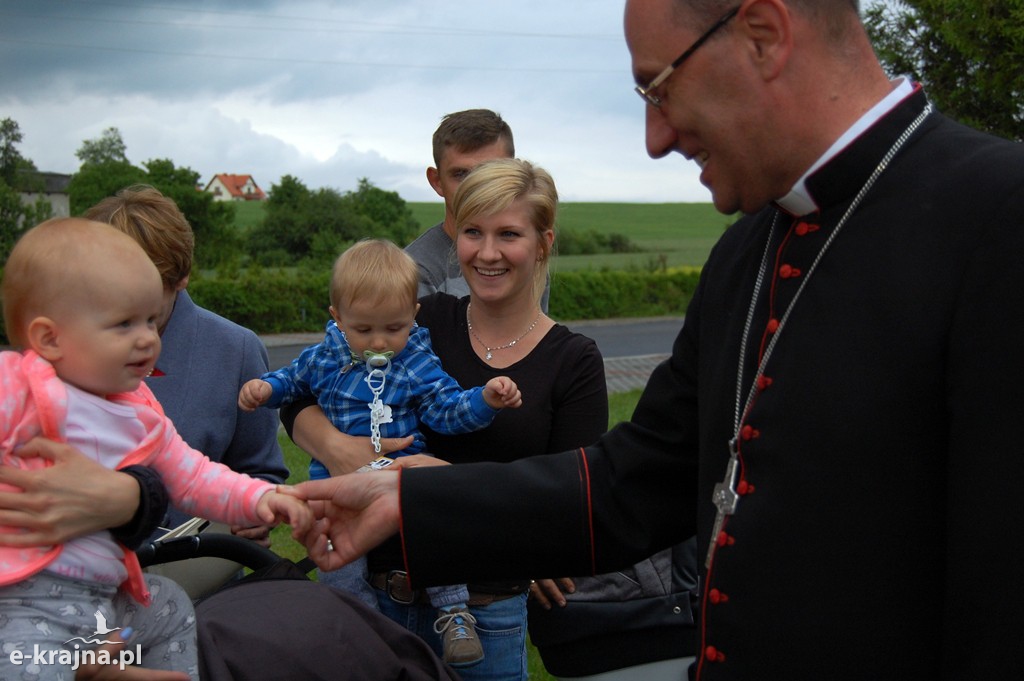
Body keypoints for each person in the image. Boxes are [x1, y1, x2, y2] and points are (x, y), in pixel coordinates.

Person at [293, 1, 1024, 680]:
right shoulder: (746, 253)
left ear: (764, 34)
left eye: (659, 89)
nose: (655, 139)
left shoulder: (998, 214)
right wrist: (411, 501)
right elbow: (633, 482)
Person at [282, 158, 609, 681]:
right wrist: (337, 448)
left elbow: (577, 502)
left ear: (544, 242)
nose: (487, 252)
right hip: (375, 598)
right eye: (473, 231)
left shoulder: (572, 360)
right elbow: (301, 393)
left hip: (484, 613)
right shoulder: (420, 320)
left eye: (509, 234)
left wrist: (447, 485)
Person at [0, 218, 311, 679]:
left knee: (171, 607)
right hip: (25, 601)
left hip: (105, 603)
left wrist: (260, 498)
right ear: (49, 339)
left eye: (150, 319)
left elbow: (193, 475)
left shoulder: (139, 412)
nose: (148, 337)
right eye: (123, 324)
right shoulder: (21, 389)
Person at [238, 237, 523, 668]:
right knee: (338, 561)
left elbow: (446, 410)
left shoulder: (414, 362)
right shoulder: (323, 358)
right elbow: (291, 381)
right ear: (337, 318)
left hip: (401, 475)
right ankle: (360, 629)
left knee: (433, 527)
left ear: (413, 315)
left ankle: (453, 612)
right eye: (363, 329)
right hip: (337, 485)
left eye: (394, 328)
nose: (380, 342)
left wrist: (485, 399)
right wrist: (265, 388)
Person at [84, 185, 288, 545]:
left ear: (180, 277)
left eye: (144, 293)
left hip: (197, 580)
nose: (121, 308)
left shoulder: (235, 349)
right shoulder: (71, 347)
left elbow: (260, 470)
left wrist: (256, 514)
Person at [405, 109, 551, 312]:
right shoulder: (412, 273)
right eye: (461, 174)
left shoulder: (524, 258)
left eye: (490, 171)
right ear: (437, 181)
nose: (477, 187)